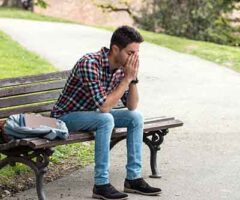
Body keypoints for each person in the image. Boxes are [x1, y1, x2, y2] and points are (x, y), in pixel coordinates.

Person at [50, 26, 161, 200]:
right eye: (131, 52)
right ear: (115, 49)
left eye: (137, 53)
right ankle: (100, 184)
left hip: (94, 115)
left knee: (136, 117)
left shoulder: (121, 68)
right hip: (65, 118)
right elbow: (103, 107)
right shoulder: (90, 63)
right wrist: (126, 78)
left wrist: (132, 79)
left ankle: (133, 178)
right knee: (106, 119)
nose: (135, 58)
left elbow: (132, 106)